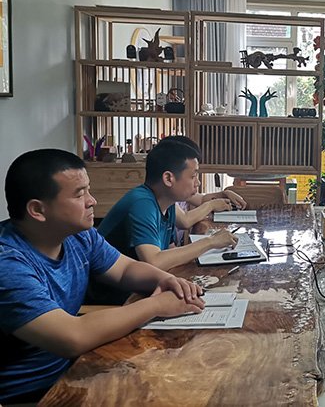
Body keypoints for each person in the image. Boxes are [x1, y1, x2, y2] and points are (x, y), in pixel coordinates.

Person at [0, 149, 205, 404]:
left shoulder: (78, 235)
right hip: (32, 395)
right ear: (37, 210)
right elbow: (72, 336)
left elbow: (125, 269)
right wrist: (156, 305)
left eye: (89, 190)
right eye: (79, 194)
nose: (92, 201)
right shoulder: (8, 263)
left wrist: (163, 279)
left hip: (77, 371)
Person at [94, 141, 238, 303]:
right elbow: (154, 261)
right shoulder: (142, 203)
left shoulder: (166, 202)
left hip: (143, 289)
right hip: (114, 299)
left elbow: (171, 251)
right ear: (168, 178)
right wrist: (210, 242)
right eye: (193, 176)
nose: (197, 183)